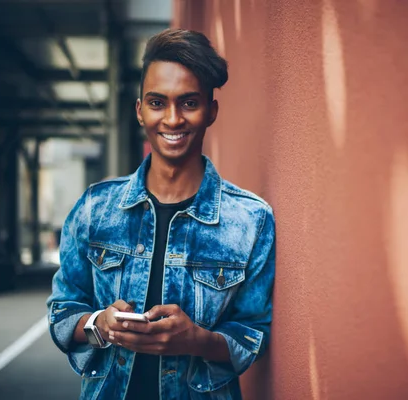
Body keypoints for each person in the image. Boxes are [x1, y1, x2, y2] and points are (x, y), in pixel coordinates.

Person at [47, 29, 276, 400]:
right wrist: (99, 324)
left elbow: (253, 334)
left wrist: (198, 341)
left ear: (211, 111)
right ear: (140, 111)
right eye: (157, 103)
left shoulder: (252, 220)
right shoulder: (94, 208)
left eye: (188, 103)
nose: (172, 119)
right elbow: (62, 313)